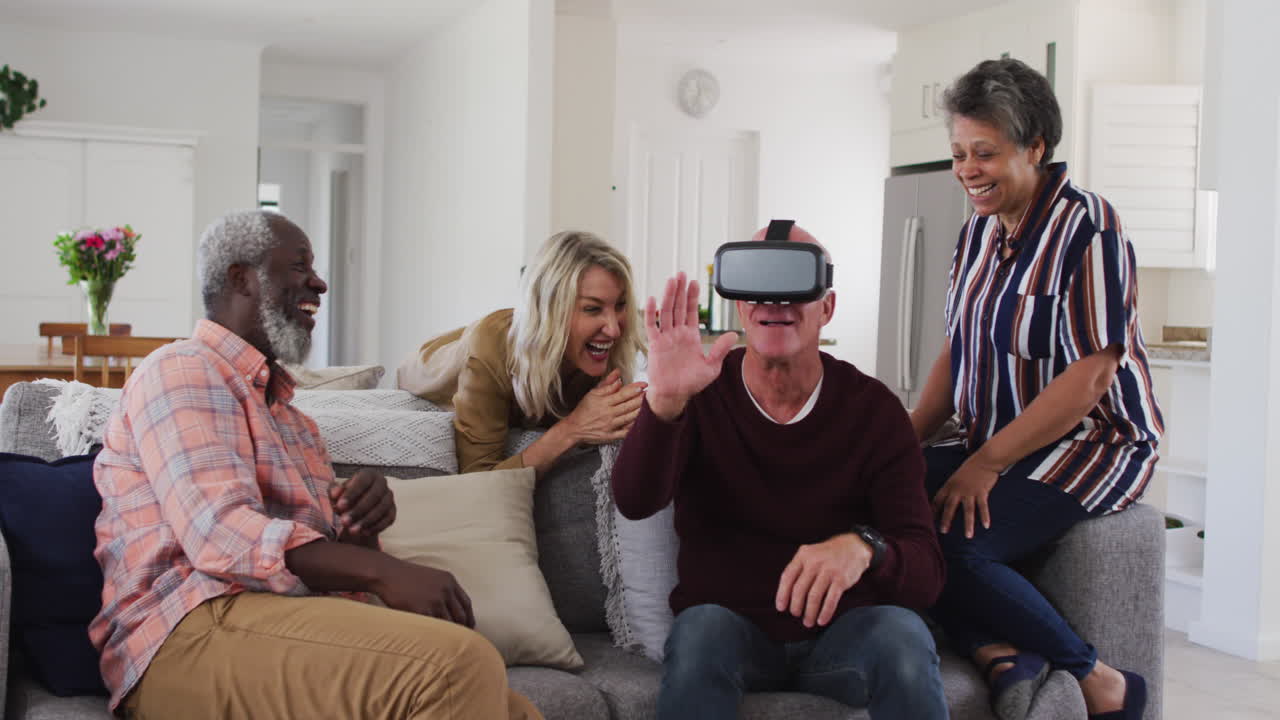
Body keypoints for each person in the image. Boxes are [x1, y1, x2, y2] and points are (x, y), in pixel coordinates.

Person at [90, 210, 541, 720]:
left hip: (281, 621)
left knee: (514, 710)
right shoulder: (182, 369)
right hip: (185, 634)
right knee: (457, 664)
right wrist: (383, 570)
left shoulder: (295, 423)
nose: (319, 283)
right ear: (242, 278)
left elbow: (325, 567)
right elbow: (220, 534)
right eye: (299, 266)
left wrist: (360, 526)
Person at [910, 58, 1164, 720]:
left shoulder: (1090, 226)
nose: (967, 169)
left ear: (1037, 147)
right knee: (882, 500)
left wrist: (982, 465)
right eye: (960, 153)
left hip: (1093, 440)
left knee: (953, 539)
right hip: (997, 434)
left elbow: (1092, 375)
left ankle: (1101, 680)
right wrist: (900, 444)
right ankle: (995, 648)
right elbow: (956, 348)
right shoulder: (977, 233)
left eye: (985, 153)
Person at [611, 223, 948, 720]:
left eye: (796, 289)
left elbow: (927, 574)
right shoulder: (699, 395)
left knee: (904, 637)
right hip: (727, 633)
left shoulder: (874, 410)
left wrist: (864, 546)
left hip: (845, 638)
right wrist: (663, 405)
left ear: (827, 307)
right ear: (742, 307)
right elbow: (635, 501)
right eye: (760, 291)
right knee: (699, 631)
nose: (776, 303)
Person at [399, 230, 647, 475]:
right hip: (433, 362)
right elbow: (478, 481)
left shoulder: (602, 342)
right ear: (550, 311)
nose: (614, 329)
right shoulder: (489, 354)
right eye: (592, 309)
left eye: (620, 305)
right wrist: (572, 429)